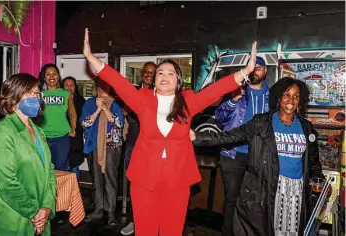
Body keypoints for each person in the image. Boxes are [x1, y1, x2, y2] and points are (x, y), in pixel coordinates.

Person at [83, 28, 257, 236]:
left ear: (178, 81)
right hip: (144, 180)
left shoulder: (188, 101)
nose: (164, 76)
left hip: (177, 181)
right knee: (145, 231)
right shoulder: (143, 99)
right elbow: (119, 83)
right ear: (155, 81)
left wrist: (245, 72)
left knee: (172, 231)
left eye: (170, 73)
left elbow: (215, 90)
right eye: (160, 73)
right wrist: (91, 58)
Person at [191, 77, 323, 236]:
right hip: (269, 190)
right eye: (287, 95)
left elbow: (313, 162)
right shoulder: (262, 123)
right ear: (279, 97)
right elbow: (230, 136)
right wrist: (197, 137)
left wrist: (319, 179)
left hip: (297, 192)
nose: (291, 100)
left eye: (296, 96)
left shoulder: (306, 127)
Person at [0, 73, 56, 236]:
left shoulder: (38, 131)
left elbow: (50, 172)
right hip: (13, 216)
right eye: (30, 93)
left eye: (37, 92)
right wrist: (34, 212)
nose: (36, 97)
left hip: (40, 214)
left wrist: (47, 207)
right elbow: (7, 182)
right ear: (14, 96)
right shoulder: (3, 131)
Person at [214, 56, 269, 236]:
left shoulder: (274, 96)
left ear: (265, 71)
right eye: (252, 68)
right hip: (233, 154)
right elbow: (220, 118)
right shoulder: (236, 90)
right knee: (232, 199)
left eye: (259, 67)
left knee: (257, 200)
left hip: (261, 156)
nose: (255, 71)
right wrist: (233, 100)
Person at [81, 79, 124, 225]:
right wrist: (98, 109)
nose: (101, 91)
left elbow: (119, 123)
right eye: (99, 88)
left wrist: (106, 108)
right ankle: (98, 209)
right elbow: (84, 123)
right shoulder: (89, 103)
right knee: (97, 179)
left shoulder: (114, 103)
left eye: (104, 88)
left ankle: (111, 212)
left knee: (110, 179)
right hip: (94, 146)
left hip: (111, 147)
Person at [121, 61, 156, 235]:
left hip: (154, 149)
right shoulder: (134, 91)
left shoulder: (161, 94)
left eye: (152, 72)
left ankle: (151, 221)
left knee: (153, 186)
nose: (149, 75)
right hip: (133, 144)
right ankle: (134, 221)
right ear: (142, 74)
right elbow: (126, 113)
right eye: (147, 72)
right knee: (134, 186)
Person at [38, 64, 77, 171]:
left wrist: (73, 127)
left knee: (60, 169)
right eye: (48, 74)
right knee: (44, 169)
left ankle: (59, 189)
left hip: (62, 137)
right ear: (44, 77)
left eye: (54, 74)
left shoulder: (66, 93)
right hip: (42, 137)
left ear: (58, 76)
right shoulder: (38, 94)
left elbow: (72, 113)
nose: (51, 77)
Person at [62, 76, 86, 180]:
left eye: (72, 85)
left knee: (74, 167)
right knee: (62, 167)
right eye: (66, 85)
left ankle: (75, 194)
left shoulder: (81, 100)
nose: (69, 88)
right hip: (62, 137)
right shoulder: (59, 100)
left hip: (76, 138)